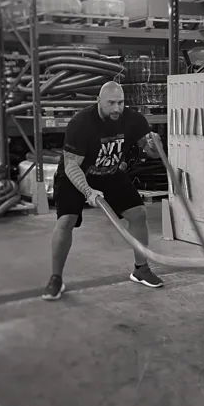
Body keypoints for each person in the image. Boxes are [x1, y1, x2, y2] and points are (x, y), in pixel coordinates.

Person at [42, 81, 164, 301]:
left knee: (138, 214)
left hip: (110, 172)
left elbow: (149, 150)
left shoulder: (134, 120)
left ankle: (141, 269)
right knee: (66, 221)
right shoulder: (81, 123)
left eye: (120, 102)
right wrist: (88, 191)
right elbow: (71, 165)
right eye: (111, 103)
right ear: (99, 101)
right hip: (76, 174)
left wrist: (154, 147)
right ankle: (56, 278)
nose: (117, 108)